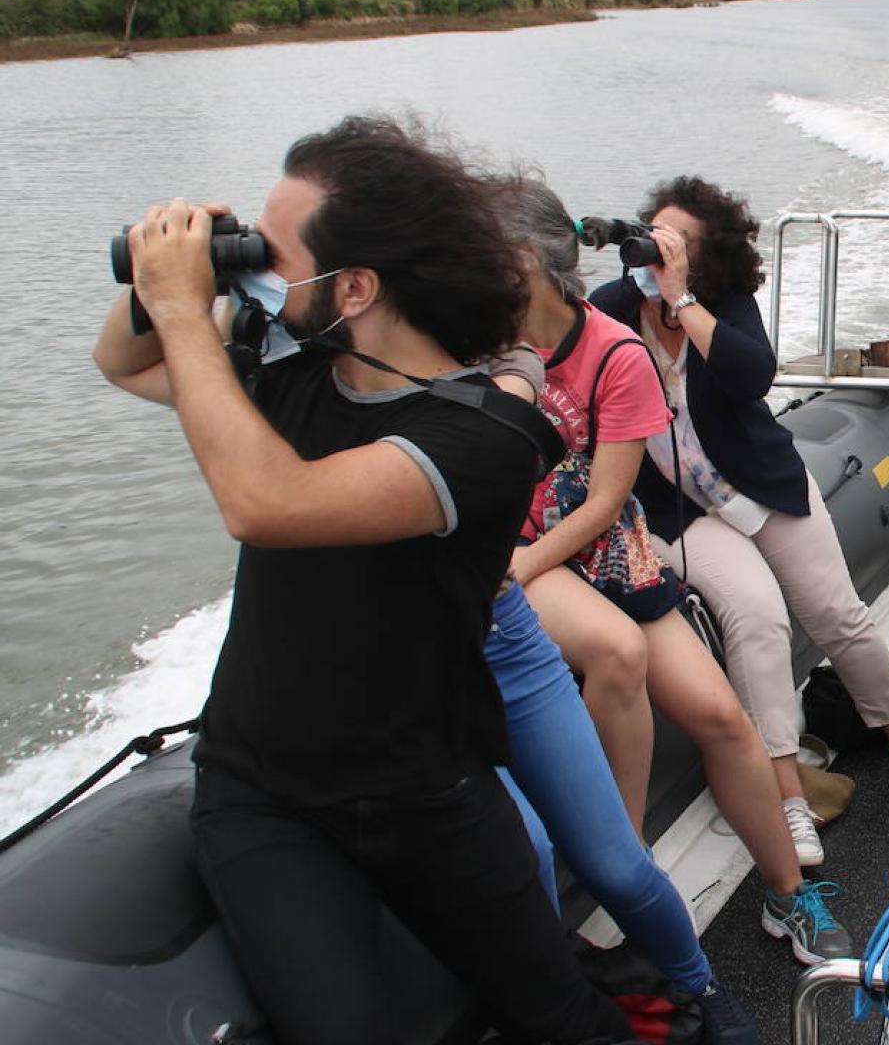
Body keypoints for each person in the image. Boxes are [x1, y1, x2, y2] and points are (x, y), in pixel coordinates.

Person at [91, 117, 636, 1045]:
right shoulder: (289, 369)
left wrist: (186, 308)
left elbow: (268, 503)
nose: (260, 265)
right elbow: (123, 362)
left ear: (353, 286)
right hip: (266, 794)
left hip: (429, 786)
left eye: (276, 251)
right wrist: (173, 280)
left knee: (562, 1015)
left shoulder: (487, 432)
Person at [494, 177, 851, 966]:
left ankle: (790, 895)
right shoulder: (472, 349)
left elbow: (608, 499)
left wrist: (518, 568)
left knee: (722, 718)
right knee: (615, 656)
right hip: (520, 554)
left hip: (598, 549)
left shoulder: (611, 350)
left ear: (528, 264)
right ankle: (629, 877)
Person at [588, 175, 889, 872]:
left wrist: (681, 299)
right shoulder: (611, 307)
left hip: (761, 485)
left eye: (676, 241)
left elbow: (753, 375)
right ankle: (788, 795)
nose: (657, 248)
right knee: (758, 620)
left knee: (837, 614)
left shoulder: (723, 303)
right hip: (684, 512)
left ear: (705, 255)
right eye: (652, 233)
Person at [477, 349, 758, 1044]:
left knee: (617, 865)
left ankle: (698, 984)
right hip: (418, 656)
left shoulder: (499, 375)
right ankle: (561, 1008)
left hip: (496, 628)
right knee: (528, 852)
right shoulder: (328, 387)